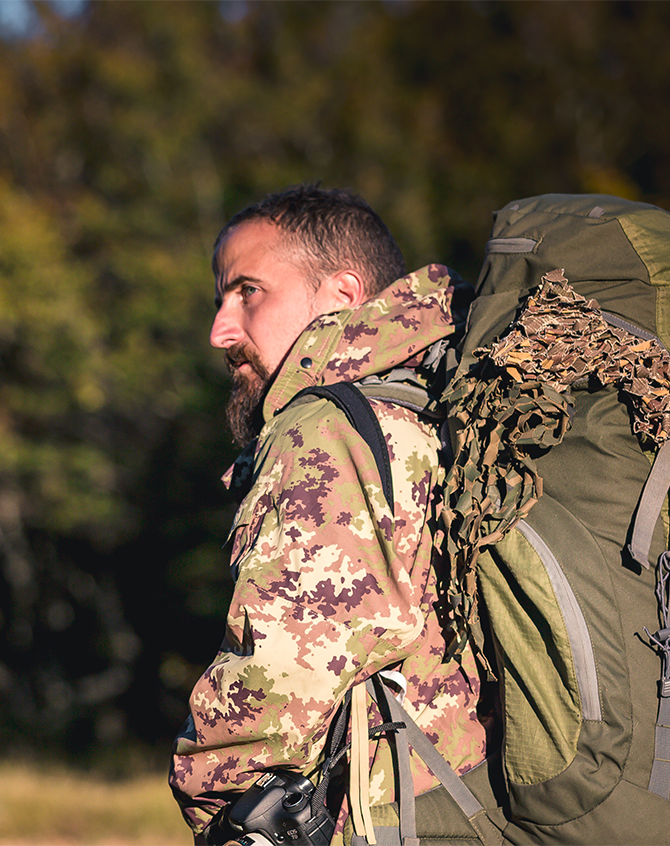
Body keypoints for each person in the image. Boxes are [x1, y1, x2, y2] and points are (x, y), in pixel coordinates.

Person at [170, 184, 489, 843]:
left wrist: (222, 816)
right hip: (481, 807)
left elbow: (277, 683)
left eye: (248, 292)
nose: (220, 331)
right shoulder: (441, 406)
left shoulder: (328, 430)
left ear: (342, 296)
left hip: (397, 823)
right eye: (220, 299)